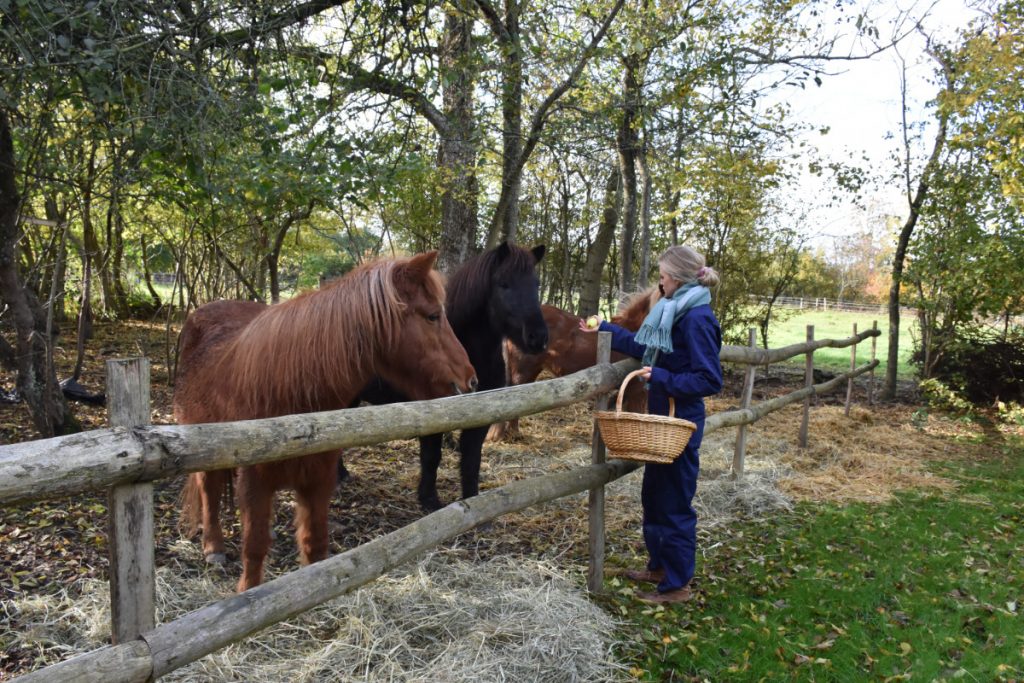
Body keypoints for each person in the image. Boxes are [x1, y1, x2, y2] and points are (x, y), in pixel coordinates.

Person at [580, 245, 722, 604]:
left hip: (681, 423)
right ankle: (659, 567)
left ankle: (677, 585)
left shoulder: (697, 318)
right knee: (655, 497)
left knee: (674, 503)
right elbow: (645, 347)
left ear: (677, 277)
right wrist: (605, 328)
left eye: (662, 276)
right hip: (661, 422)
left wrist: (662, 378)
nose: (659, 282)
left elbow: (709, 379)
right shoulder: (674, 310)